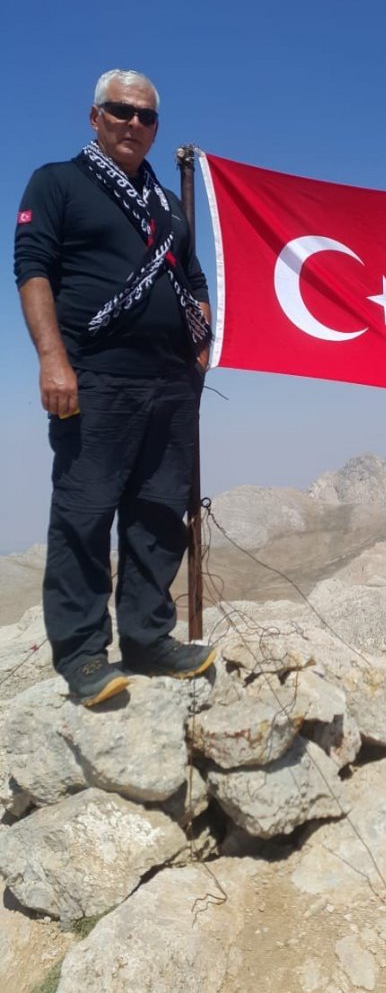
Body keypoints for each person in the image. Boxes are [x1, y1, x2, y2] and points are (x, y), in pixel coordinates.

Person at [14, 69, 217, 706]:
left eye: (145, 116)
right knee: (85, 512)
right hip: (94, 377)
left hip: (171, 382)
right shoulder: (57, 182)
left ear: (156, 127)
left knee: (158, 513)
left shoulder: (167, 204)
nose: (133, 123)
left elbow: (193, 278)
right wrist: (53, 360)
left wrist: (201, 340)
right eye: (120, 111)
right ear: (94, 116)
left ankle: (148, 639)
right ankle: (81, 655)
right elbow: (32, 268)